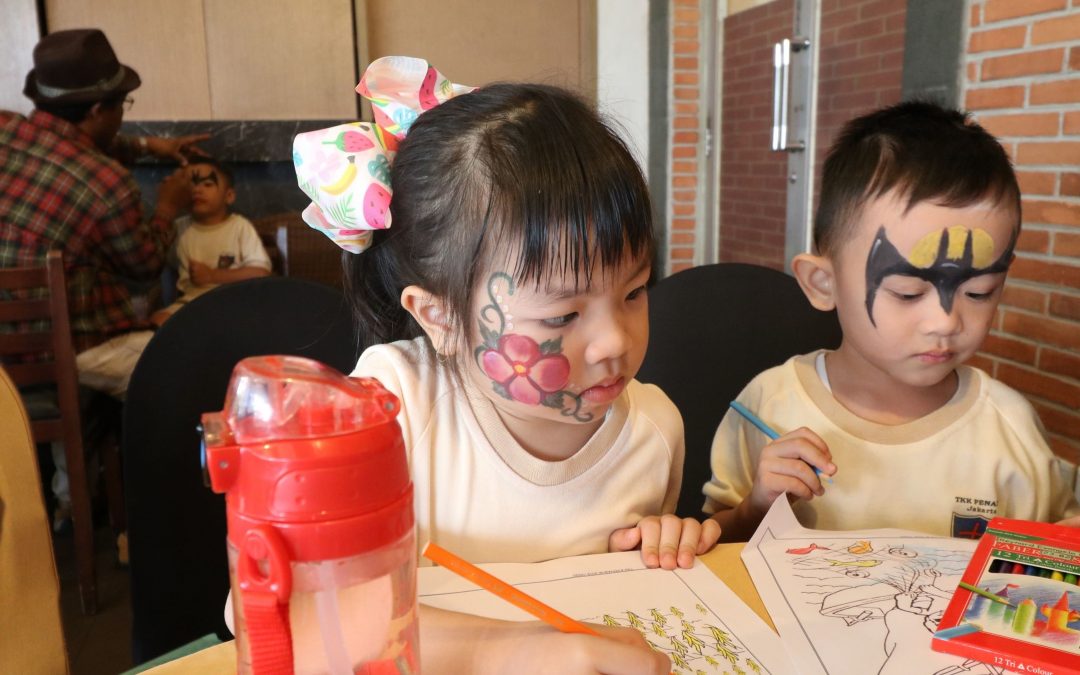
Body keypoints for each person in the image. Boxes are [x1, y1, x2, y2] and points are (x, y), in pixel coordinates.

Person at [290, 55, 720, 673]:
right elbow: (290, 614)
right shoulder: (390, 408)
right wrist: (521, 651)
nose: (613, 343)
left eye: (634, 292)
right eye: (563, 317)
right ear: (438, 317)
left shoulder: (654, 431)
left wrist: (663, 543)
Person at [703, 100, 1080, 542]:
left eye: (979, 292)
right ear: (823, 283)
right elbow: (714, 543)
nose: (944, 321)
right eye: (908, 292)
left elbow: (1048, 559)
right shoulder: (769, 404)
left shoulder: (1010, 428)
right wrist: (756, 507)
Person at [0, 28, 208, 529]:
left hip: (3, 349)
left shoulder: (6, 129)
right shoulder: (106, 184)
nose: (122, 114)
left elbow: (68, 149)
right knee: (185, 365)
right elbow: (142, 265)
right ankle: (173, 517)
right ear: (98, 112)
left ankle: (70, 497)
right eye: (122, 105)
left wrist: (149, 146)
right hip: (64, 348)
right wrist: (168, 207)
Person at [150, 158, 271, 325]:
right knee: (158, 320)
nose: (198, 190)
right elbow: (154, 259)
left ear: (229, 196)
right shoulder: (178, 228)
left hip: (232, 302)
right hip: (190, 304)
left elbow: (261, 272)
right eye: (192, 185)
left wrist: (213, 275)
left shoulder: (239, 226)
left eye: (207, 184)